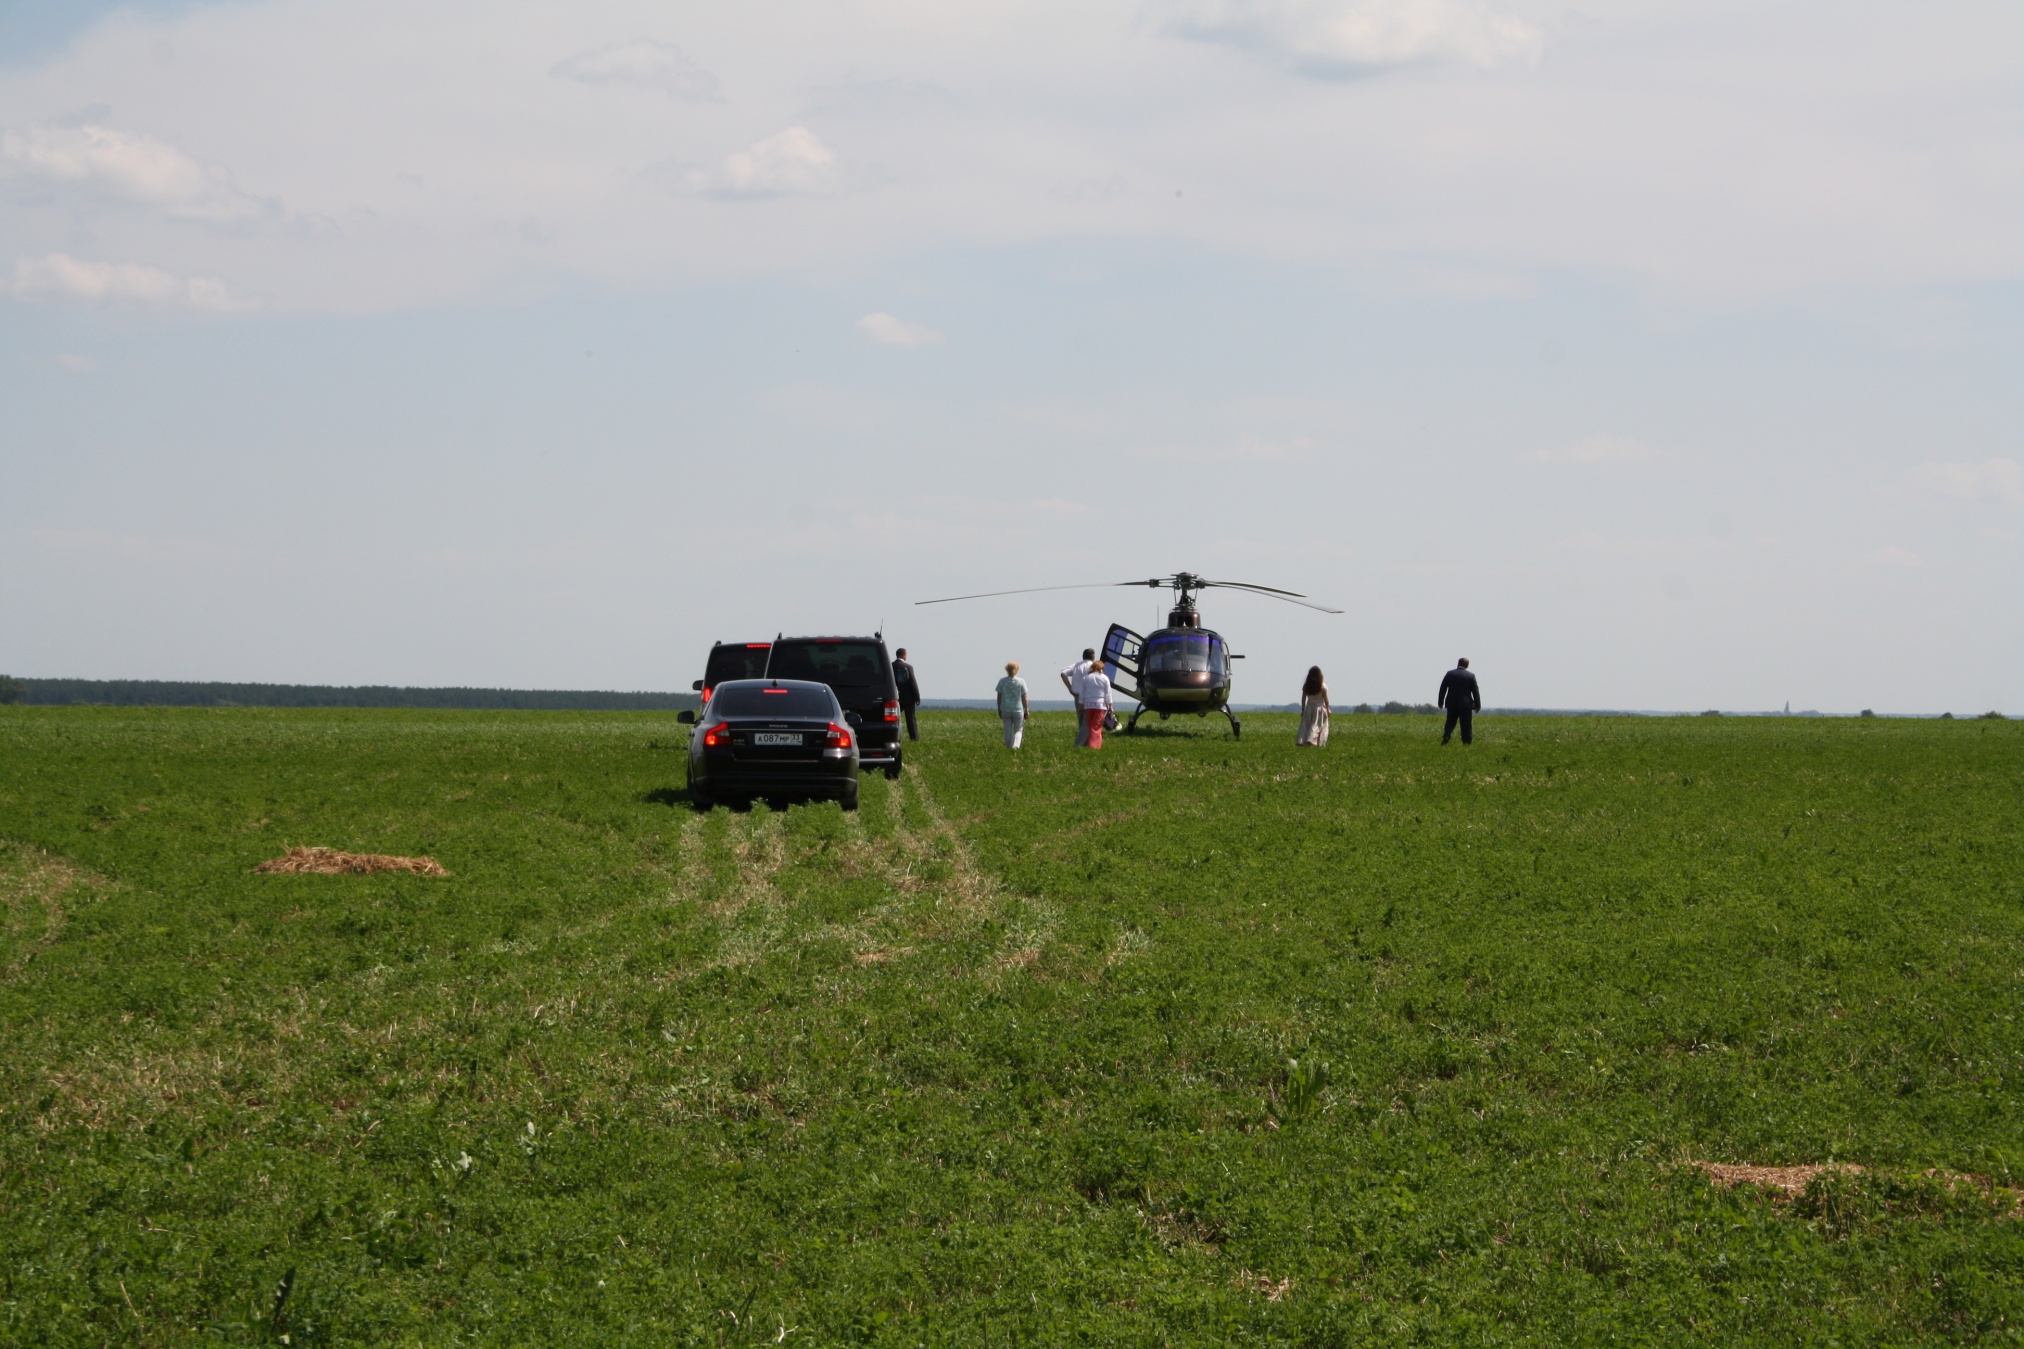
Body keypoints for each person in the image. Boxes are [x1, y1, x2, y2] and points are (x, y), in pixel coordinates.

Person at [1438, 657, 1480, 745]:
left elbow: (1443, 688)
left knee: (1450, 721)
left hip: (1452, 703)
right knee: (1466, 724)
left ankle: (1447, 735)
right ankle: (1467, 741)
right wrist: (1477, 705)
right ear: (1467, 665)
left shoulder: (1450, 674)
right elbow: (1475, 691)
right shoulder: (1471, 676)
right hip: (1466, 704)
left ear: (1458, 663)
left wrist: (1440, 702)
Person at [1060, 648, 1097, 746]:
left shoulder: (1076, 665)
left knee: (1081, 720)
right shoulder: (1093, 666)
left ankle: (1084, 742)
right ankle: (1084, 743)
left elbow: (1063, 673)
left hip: (1077, 695)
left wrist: (1070, 688)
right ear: (1093, 657)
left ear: (1083, 656)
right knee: (1089, 720)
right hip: (1090, 696)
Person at [1079, 656, 1113, 749]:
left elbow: (1082, 693)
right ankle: (1094, 746)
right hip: (1100, 705)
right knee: (1096, 727)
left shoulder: (1086, 678)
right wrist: (1110, 707)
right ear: (1101, 668)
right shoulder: (1105, 678)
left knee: (1090, 726)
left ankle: (1092, 745)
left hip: (1088, 705)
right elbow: (1108, 694)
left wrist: (1081, 705)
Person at [995, 661, 1030, 749]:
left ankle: (1009, 747)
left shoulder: (1002, 681)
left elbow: (999, 696)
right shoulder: (1021, 681)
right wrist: (1027, 710)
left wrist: (999, 708)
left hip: (1005, 709)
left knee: (1007, 729)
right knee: (1018, 729)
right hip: (1018, 709)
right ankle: (1016, 746)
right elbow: (1024, 697)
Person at [892, 648, 921, 741]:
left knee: (893, 718)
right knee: (911, 719)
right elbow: (913, 683)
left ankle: (892, 736)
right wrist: (917, 697)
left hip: (894, 697)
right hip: (908, 697)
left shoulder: (890, 666)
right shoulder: (908, 667)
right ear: (904, 655)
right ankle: (914, 738)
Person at [1297, 665, 1330, 747]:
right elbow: (1326, 699)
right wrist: (1328, 709)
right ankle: (1312, 741)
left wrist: (1303, 709)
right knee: (1316, 726)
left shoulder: (1306, 686)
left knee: (1305, 725)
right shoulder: (1322, 686)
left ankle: (1301, 740)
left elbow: (1303, 698)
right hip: (1319, 709)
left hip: (1309, 708)